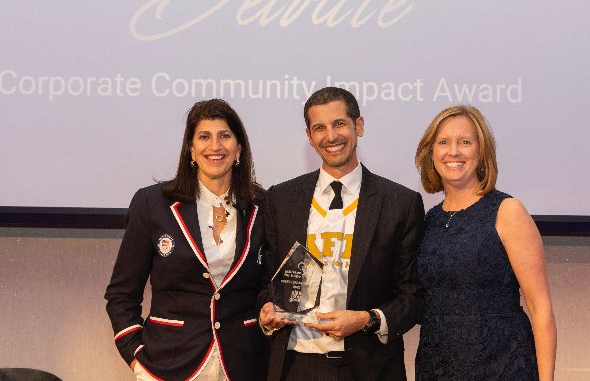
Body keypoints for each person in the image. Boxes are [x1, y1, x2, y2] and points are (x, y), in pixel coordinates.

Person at [258, 87, 425, 381]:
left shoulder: (400, 202)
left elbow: (413, 295)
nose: (331, 136)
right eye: (319, 128)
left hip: (369, 367)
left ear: (358, 125)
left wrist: (367, 319)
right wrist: (268, 311)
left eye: (339, 124)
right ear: (309, 137)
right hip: (295, 366)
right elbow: (267, 280)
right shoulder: (281, 199)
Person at [105, 99, 268, 381]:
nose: (215, 146)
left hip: (244, 363)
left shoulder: (263, 205)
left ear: (239, 148)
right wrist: (136, 357)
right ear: (191, 149)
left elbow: (269, 284)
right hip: (169, 364)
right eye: (204, 136)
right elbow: (121, 294)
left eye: (225, 136)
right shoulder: (152, 203)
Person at [414, 106, 556, 381]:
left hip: (501, 366)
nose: (453, 151)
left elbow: (540, 308)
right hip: (436, 367)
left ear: (481, 152)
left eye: (465, 142)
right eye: (443, 142)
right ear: (431, 153)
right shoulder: (430, 219)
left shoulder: (507, 210)